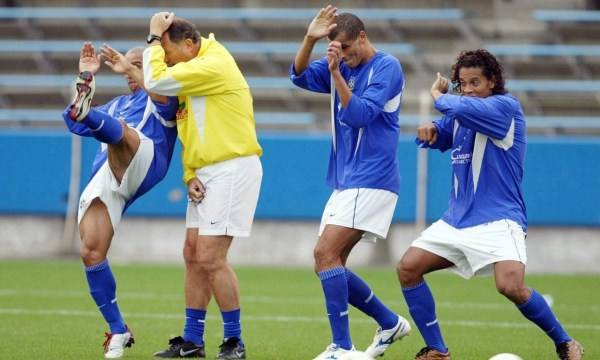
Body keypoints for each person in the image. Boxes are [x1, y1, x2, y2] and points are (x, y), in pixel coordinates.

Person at [396, 49, 585, 360]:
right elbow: (441, 133)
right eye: (463, 84)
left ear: (492, 81)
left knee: (510, 286)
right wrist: (429, 130)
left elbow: (453, 106)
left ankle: (565, 343)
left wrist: (437, 96)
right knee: (408, 267)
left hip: (499, 218)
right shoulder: (461, 114)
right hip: (456, 219)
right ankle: (438, 350)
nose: (468, 89)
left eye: (475, 82)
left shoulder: (505, 107)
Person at [290, 6, 410, 360]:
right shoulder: (338, 63)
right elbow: (297, 75)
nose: (341, 55)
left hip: (372, 176)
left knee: (324, 254)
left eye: (345, 48)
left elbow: (358, 115)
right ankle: (388, 322)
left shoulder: (387, 67)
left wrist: (336, 76)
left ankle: (341, 347)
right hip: (347, 178)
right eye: (335, 50)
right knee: (329, 263)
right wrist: (310, 38)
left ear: (362, 37)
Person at [143, 12, 263, 360]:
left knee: (211, 257)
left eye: (169, 52)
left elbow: (156, 80)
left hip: (232, 168)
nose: (166, 60)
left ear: (190, 44)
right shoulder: (194, 72)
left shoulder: (213, 64)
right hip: (208, 171)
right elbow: (191, 129)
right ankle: (193, 340)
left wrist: (152, 40)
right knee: (192, 254)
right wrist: (189, 174)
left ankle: (233, 341)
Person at [62, 42, 178, 358]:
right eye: (125, 64)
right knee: (90, 252)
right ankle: (118, 329)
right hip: (109, 178)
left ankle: (100, 121)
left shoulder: (165, 95)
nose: (127, 69)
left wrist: (135, 72)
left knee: (124, 135)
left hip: (147, 157)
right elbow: (72, 120)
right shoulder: (117, 104)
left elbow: (163, 97)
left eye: (137, 63)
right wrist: (86, 75)